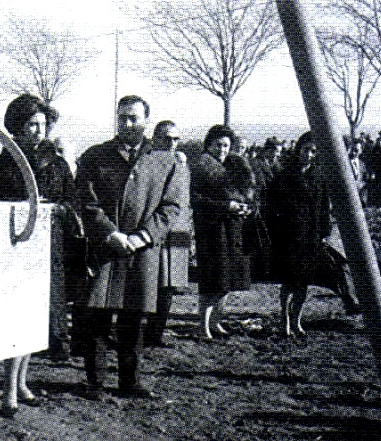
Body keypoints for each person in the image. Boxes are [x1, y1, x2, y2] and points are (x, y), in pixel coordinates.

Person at [75, 95, 181, 399]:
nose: (127, 123)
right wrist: (111, 233)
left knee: (134, 319)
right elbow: (86, 202)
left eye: (134, 117)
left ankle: (129, 382)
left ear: (146, 120)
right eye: (122, 117)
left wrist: (142, 236)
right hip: (106, 249)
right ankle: (94, 382)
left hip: (142, 252)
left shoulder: (164, 160)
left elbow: (172, 207)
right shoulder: (95, 156)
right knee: (98, 317)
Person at [0, 93, 73, 416]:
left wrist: (56, 209)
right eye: (31, 125)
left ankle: (21, 381)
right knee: (15, 319)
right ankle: (8, 390)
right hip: (13, 248)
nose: (38, 131)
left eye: (43, 125)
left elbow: (71, 201)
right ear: (16, 128)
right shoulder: (2, 165)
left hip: (47, 247)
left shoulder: (56, 163)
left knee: (33, 318)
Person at [266, 131, 358, 336]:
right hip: (289, 237)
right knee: (289, 282)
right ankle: (285, 320)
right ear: (298, 150)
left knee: (303, 282)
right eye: (305, 150)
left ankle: (297, 320)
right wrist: (278, 230)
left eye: (313, 151)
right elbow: (271, 206)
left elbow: (324, 206)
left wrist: (325, 232)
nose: (309, 154)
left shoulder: (318, 176)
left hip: (311, 236)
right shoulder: (285, 176)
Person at [189, 125, 254, 339]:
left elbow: (246, 192)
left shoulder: (234, 165)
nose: (222, 149)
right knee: (212, 280)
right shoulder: (200, 167)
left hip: (231, 229)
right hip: (211, 231)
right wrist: (226, 206)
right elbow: (196, 199)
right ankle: (203, 326)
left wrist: (244, 206)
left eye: (226, 145)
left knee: (226, 280)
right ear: (209, 145)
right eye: (218, 145)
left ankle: (216, 322)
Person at [142, 120, 192, 348]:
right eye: (167, 138)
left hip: (179, 231)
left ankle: (156, 332)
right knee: (153, 282)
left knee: (171, 284)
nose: (172, 143)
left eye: (176, 139)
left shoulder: (182, 164)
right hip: (157, 230)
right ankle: (144, 331)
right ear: (155, 139)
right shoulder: (147, 162)